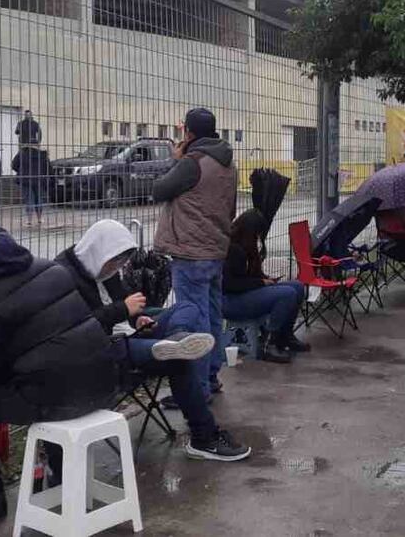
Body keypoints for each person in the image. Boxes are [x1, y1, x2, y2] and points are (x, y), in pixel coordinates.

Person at [0, 228, 119, 518]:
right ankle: (63, 474)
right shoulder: (54, 270)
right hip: (106, 387)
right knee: (50, 376)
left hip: (58, 400)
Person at [56, 220, 251, 461]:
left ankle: (177, 336)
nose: (117, 267)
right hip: (102, 350)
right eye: (114, 261)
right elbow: (74, 330)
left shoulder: (104, 269)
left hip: (130, 333)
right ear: (99, 251)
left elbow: (127, 305)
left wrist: (138, 318)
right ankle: (204, 437)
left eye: (121, 262)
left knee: (188, 307)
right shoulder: (62, 276)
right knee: (176, 358)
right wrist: (122, 311)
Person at [153, 108, 236, 400]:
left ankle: (196, 390)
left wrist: (176, 160)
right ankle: (211, 377)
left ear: (188, 134)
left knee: (193, 322)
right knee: (212, 316)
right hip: (215, 250)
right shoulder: (227, 162)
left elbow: (159, 190)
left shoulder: (192, 163)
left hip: (190, 253)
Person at [224, 209, 311, 361]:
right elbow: (230, 284)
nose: (258, 238)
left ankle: (286, 336)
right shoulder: (232, 249)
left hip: (246, 293)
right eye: (257, 233)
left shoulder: (247, 246)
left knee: (297, 286)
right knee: (287, 294)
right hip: (231, 300)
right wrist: (260, 282)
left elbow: (250, 276)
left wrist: (265, 279)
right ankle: (269, 343)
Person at [11, 144, 50, 227]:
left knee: (29, 199)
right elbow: (48, 168)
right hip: (39, 179)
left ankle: (29, 221)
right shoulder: (42, 154)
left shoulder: (22, 153)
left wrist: (22, 170)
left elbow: (14, 165)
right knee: (38, 199)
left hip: (26, 179)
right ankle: (39, 219)